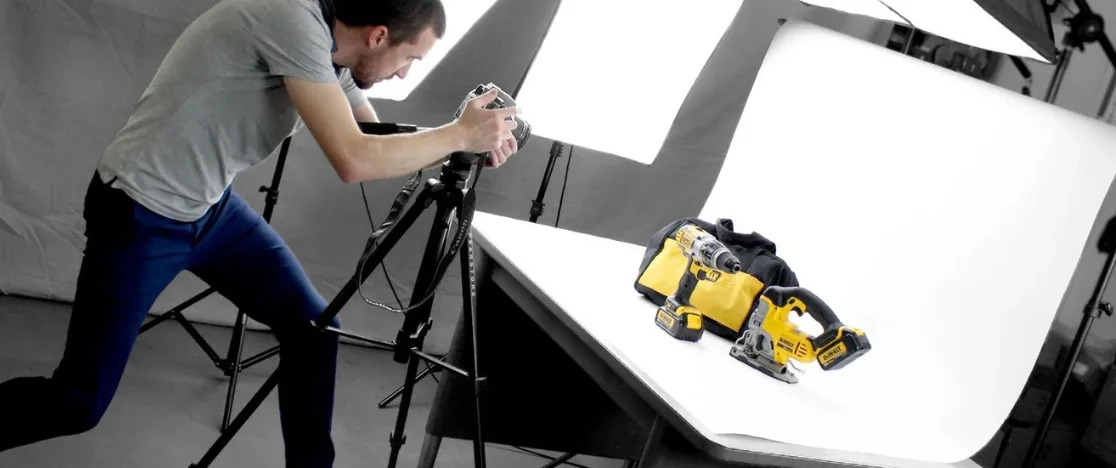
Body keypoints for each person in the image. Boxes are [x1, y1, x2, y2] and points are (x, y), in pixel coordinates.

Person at [0, 0, 519, 466]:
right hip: (141, 212)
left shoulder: (329, 46)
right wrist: (455, 135)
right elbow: (354, 159)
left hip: (208, 211)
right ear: (379, 35)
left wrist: (461, 141)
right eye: (411, 58)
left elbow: (366, 133)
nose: (406, 75)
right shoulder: (290, 20)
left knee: (315, 331)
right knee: (76, 402)